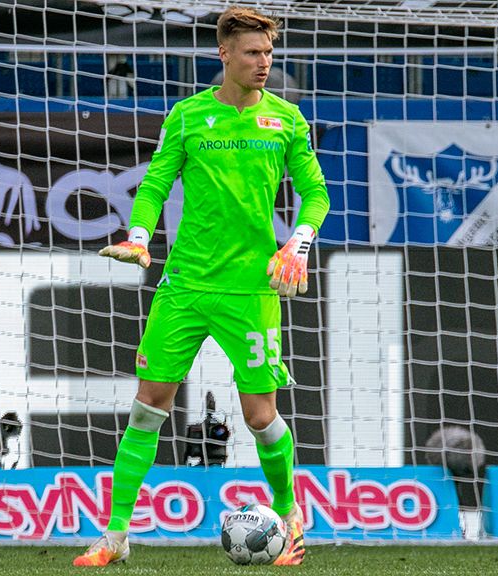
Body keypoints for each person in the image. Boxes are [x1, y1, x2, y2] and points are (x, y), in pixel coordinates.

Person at [73, 6, 329, 568]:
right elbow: (156, 180)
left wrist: (298, 244)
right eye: (252, 53)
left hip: (251, 289)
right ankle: (115, 536)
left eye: (268, 53)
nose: (264, 63)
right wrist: (139, 235)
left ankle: (290, 517)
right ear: (224, 55)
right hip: (184, 284)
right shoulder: (188, 116)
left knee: (261, 416)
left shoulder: (286, 119)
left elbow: (315, 193)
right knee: (148, 407)